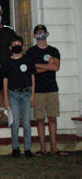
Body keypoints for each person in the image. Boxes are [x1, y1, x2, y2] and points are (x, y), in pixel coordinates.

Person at [26, 25, 68, 156]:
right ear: (34, 36)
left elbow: (56, 67)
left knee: (52, 118)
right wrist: (48, 66)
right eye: (38, 33)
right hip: (37, 90)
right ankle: (43, 147)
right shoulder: (31, 52)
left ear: (47, 34)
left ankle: (54, 147)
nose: (40, 35)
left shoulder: (54, 50)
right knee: (39, 119)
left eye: (42, 32)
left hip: (51, 89)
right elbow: (32, 69)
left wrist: (40, 66)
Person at [3, 35, 35, 158]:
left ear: (22, 46)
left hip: (26, 94)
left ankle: (27, 148)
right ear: (11, 47)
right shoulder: (7, 61)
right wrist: (6, 97)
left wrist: (32, 95)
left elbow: (32, 78)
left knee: (26, 123)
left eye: (19, 43)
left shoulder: (28, 60)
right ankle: (15, 148)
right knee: (15, 123)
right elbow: (5, 80)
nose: (17, 46)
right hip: (13, 94)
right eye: (14, 44)